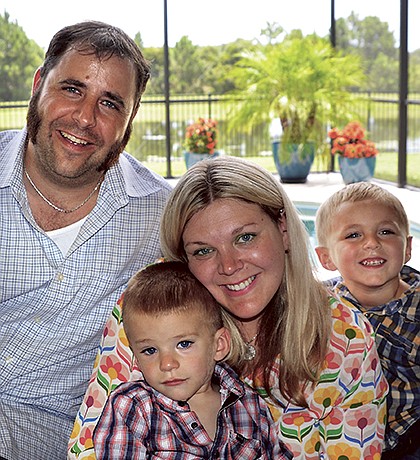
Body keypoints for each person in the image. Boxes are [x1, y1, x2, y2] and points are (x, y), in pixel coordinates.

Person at [72, 156, 388, 459]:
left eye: (245, 238)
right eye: (203, 251)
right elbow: (88, 448)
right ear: (183, 259)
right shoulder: (155, 305)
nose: (229, 265)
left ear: (283, 229)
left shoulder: (345, 336)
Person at [0, 21, 172, 460]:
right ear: (38, 85)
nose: (84, 118)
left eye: (110, 103)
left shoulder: (160, 213)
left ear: (130, 120)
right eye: (72, 89)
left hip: (50, 434)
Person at [93, 260, 289, 459]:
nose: (167, 364)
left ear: (219, 345)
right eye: (150, 350)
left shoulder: (250, 405)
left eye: (184, 344)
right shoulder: (133, 408)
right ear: (135, 355)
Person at [314, 182, 420, 459]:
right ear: (326, 258)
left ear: (407, 248)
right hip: (344, 439)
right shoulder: (322, 304)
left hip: (409, 437)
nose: (372, 243)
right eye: (353, 235)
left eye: (386, 231)